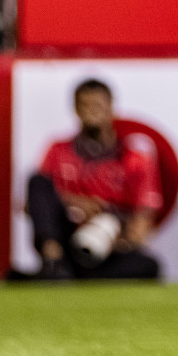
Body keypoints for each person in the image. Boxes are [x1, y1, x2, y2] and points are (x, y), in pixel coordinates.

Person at [26, 78, 162, 281]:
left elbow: (142, 221)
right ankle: (53, 261)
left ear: (111, 107)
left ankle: (64, 275)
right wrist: (74, 203)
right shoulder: (58, 150)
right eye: (85, 106)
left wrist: (115, 233)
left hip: (108, 242)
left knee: (147, 266)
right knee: (38, 182)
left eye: (98, 105)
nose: (92, 111)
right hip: (67, 235)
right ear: (76, 110)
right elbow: (35, 204)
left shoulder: (134, 157)